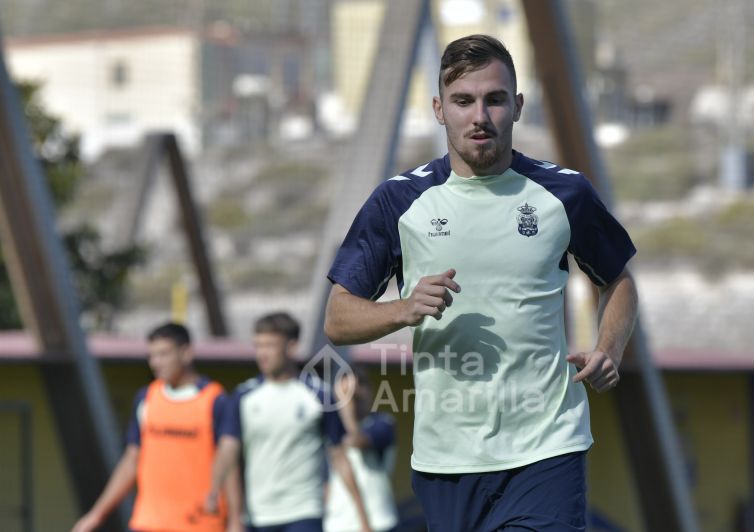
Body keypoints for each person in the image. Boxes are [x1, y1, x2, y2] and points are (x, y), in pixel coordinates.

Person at [324, 34, 639, 532]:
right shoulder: (398, 201)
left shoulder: (565, 192)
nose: (480, 116)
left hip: (547, 448)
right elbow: (337, 317)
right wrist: (403, 309)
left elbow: (618, 279)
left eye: (494, 99)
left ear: (517, 106)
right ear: (439, 109)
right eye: (463, 101)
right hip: (447, 460)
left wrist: (609, 348)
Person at [205, 312, 372, 532]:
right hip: (258, 516)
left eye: (270, 345)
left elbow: (339, 456)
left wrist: (362, 517)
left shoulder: (318, 395)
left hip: (304, 513)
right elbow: (228, 450)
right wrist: (214, 490)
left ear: (291, 347)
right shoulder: (242, 397)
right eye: (258, 346)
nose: (262, 353)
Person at [72, 322, 242, 532]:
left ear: (186, 353)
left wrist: (235, 521)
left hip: (199, 523)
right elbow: (132, 460)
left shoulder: (215, 400)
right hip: (148, 522)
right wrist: (96, 514)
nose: (155, 363)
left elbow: (229, 463)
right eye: (152, 356)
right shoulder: (147, 398)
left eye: (163, 354)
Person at [325, 368, 399, 532]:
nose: (353, 401)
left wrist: (346, 407)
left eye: (356, 396)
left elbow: (356, 440)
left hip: (379, 520)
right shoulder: (330, 427)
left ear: (370, 391)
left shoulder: (382, 423)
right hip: (338, 524)